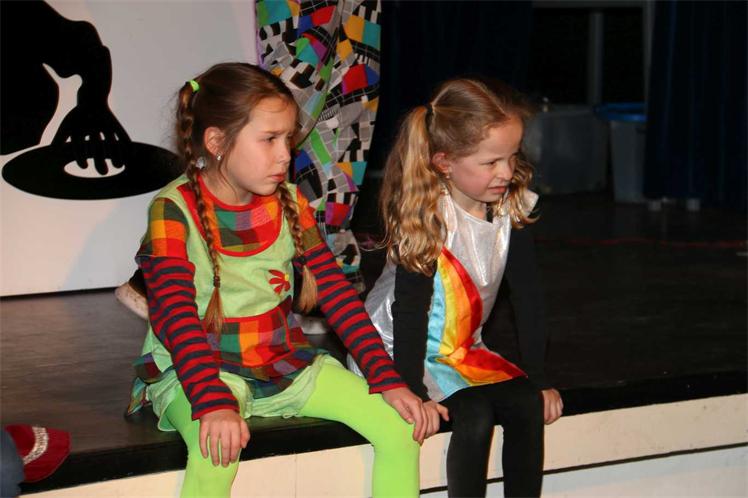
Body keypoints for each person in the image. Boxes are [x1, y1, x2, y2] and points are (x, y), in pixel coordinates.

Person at [125, 62, 425, 498]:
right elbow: (175, 316)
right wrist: (211, 401)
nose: (285, 154)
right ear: (217, 142)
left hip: (280, 363)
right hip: (200, 371)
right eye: (269, 139)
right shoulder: (173, 210)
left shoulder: (289, 202)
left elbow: (337, 295)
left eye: (288, 139)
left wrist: (386, 377)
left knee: (400, 425)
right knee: (215, 452)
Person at [347, 78, 563, 497]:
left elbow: (529, 299)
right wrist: (412, 393)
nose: (506, 172)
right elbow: (409, 314)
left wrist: (538, 379)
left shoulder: (510, 208)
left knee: (526, 404)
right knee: (475, 415)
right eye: (491, 162)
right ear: (444, 162)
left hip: (459, 347)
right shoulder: (428, 218)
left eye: (512, 157)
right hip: (397, 350)